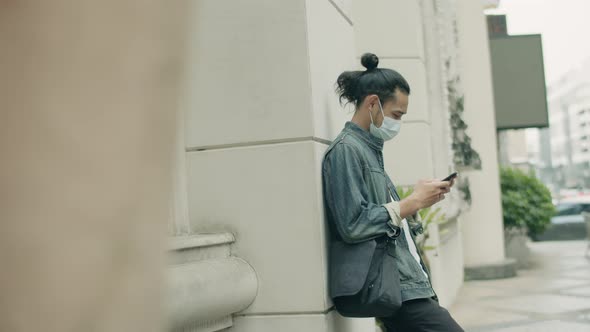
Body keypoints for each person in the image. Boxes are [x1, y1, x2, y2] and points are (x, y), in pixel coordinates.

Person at [322, 53, 464, 332]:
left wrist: (418, 199)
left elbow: (385, 219)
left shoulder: (370, 151)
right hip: (397, 289)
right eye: (396, 114)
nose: (398, 122)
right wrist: (412, 202)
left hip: (407, 285)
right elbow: (351, 223)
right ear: (373, 103)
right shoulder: (346, 150)